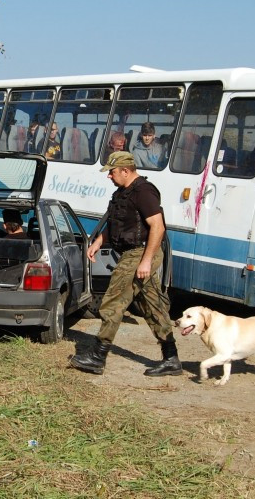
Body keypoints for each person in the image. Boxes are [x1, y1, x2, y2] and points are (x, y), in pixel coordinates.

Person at [69, 151, 181, 377]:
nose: (108, 176)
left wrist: (146, 261)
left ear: (126, 170)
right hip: (133, 253)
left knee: (113, 301)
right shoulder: (122, 193)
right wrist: (98, 242)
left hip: (139, 254)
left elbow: (158, 227)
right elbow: (115, 223)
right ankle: (172, 359)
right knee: (152, 306)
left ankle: (97, 357)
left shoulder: (144, 192)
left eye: (111, 172)